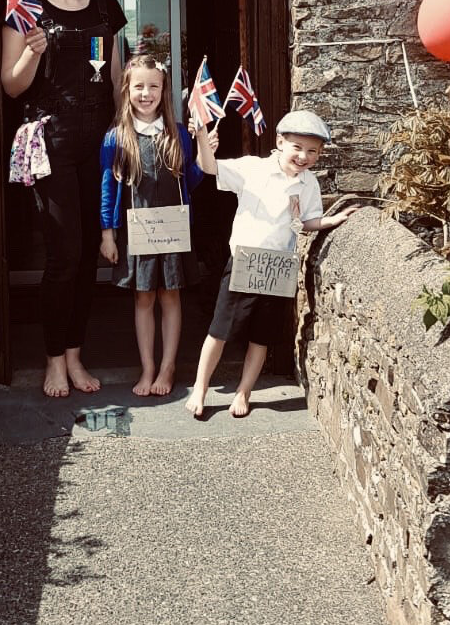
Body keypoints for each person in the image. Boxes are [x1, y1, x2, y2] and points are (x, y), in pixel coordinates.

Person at [1, 0, 127, 398]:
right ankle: (53, 359)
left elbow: (113, 76)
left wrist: (127, 134)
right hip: (51, 145)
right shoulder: (26, 8)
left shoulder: (105, 8)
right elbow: (11, 86)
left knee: (92, 254)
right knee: (63, 253)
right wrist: (32, 50)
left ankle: (76, 356)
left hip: (97, 142)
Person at [185, 109, 360, 419]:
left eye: (312, 151)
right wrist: (201, 136)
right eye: (297, 147)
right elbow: (209, 167)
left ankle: (244, 391)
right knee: (219, 330)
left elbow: (307, 221)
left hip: (278, 266)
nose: (304, 156)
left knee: (261, 335)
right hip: (245, 261)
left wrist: (331, 220)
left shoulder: (308, 184)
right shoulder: (254, 169)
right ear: (280, 141)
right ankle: (200, 387)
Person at [99, 55, 206, 398]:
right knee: (143, 299)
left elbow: (189, 181)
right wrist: (107, 232)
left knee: (170, 297)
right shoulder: (116, 138)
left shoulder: (178, 136)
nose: (146, 93)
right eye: (139, 86)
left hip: (172, 229)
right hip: (138, 232)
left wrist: (205, 153)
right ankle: (147, 366)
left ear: (164, 91)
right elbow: (108, 187)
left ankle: (168, 366)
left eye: (154, 87)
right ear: (127, 89)